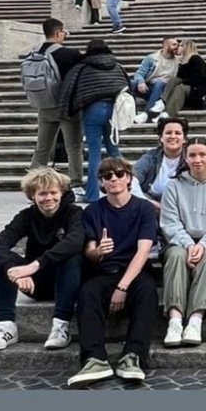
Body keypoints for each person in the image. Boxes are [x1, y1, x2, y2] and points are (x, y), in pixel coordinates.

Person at [68, 157, 159, 388]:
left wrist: (122, 287)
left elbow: (143, 251)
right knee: (87, 293)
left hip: (135, 272)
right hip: (103, 270)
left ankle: (133, 356)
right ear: (102, 182)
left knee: (148, 291)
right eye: (108, 176)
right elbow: (88, 250)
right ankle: (94, 359)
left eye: (119, 174)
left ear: (128, 178)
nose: (114, 179)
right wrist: (98, 251)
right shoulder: (92, 211)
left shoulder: (144, 208)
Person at [0, 168, 84, 352]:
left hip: (67, 282)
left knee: (71, 256)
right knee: (2, 260)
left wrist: (34, 266)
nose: (49, 198)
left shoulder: (73, 213)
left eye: (53, 192)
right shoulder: (26, 216)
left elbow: (76, 241)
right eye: (43, 193)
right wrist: (13, 270)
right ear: (32, 196)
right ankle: (6, 326)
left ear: (61, 193)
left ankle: (61, 326)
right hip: (34, 284)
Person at [160, 136, 206, 347]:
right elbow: (170, 222)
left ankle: (195, 318)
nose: (197, 160)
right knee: (175, 256)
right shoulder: (174, 186)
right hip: (180, 240)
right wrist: (189, 244)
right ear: (185, 157)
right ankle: (175, 319)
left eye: (202, 154)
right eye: (192, 155)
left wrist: (203, 244)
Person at [58, 38, 130, 202]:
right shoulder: (117, 66)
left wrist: (65, 112)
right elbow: (127, 86)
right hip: (113, 110)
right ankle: (128, 186)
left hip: (92, 110)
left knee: (95, 153)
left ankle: (92, 194)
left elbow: (68, 89)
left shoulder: (81, 68)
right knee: (114, 150)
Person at [25, 17, 85, 194]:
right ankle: (75, 183)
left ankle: (32, 183)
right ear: (58, 33)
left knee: (42, 147)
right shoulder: (70, 54)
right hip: (67, 107)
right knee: (73, 146)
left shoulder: (34, 54)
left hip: (44, 106)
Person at [132, 116, 188, 216]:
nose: (173, 136)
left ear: (184, 139)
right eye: (168, 133)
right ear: (161, 138)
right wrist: (153, 204)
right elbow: (131, 181)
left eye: (178, 133)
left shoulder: (190, 159)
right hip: (151, 207)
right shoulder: (150, 157)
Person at [161, 40, 206, 118]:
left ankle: (167, 113)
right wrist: (182, 64)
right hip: (192, 89)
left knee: (181, 88)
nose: (178, 47)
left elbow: (198, 79)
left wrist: (183, 82)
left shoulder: (196, 59)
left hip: (201, 90)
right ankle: (162, 102)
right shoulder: (184, 62)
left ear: (186, 48)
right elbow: (179, 77)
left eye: (181, 45)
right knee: (174, 80)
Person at [130, 36, 180, 123]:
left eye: (177, 45)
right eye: (174, 44)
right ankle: (129, 113)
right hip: (149, 87)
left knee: (159, 83)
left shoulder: (178, 61)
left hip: (165, 91)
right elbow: (139, 73)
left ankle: (146, 113)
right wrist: (141, 82)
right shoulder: (151, 58)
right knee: (130, 84)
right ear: (165, 45)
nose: (177, 47)